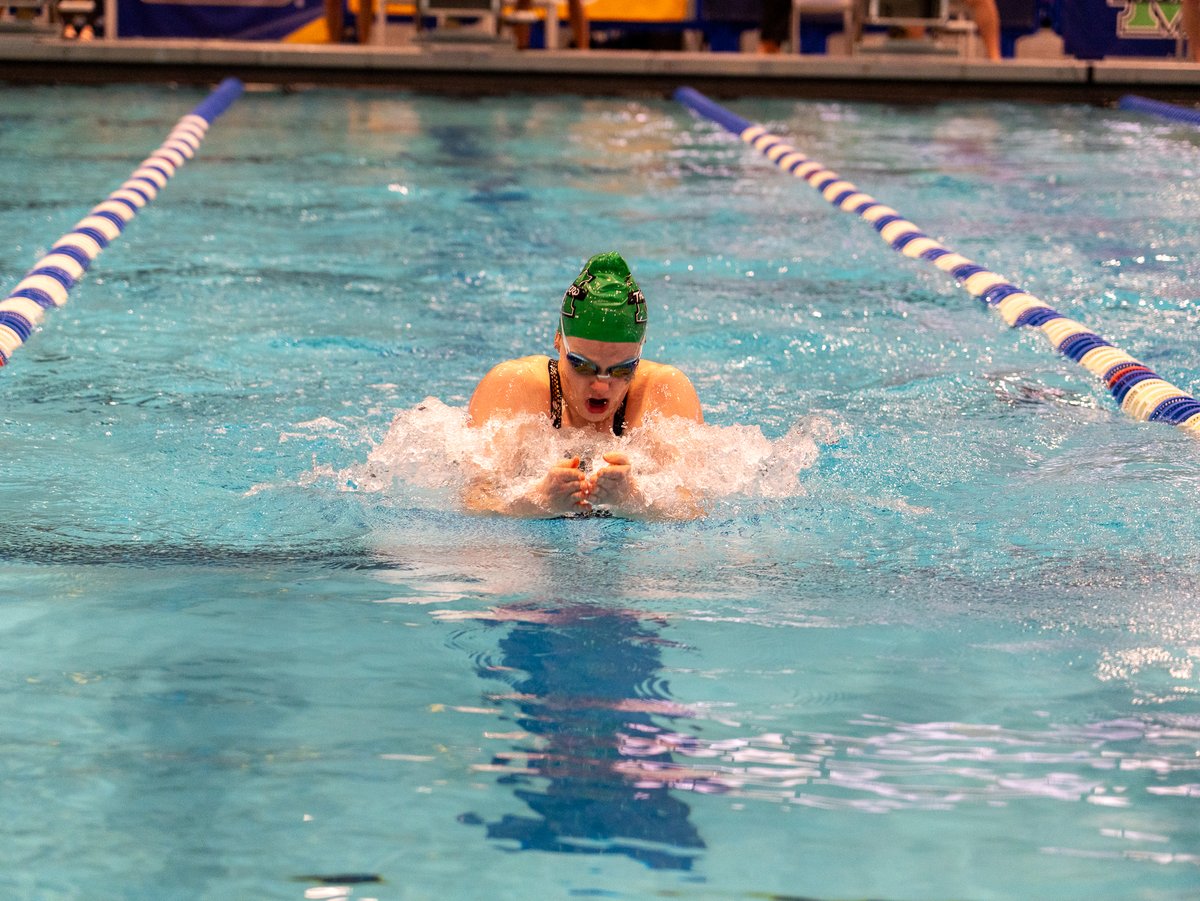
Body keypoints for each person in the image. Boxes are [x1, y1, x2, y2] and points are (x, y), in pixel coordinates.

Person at [466, 251, 703, 519]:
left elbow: (691, 512)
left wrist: (633, 500)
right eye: (583, 366)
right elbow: (475, 503)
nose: (601, 388)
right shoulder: (512, 387)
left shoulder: (666, 392)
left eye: (623, 370)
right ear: (558, 340)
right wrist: (539, 501)